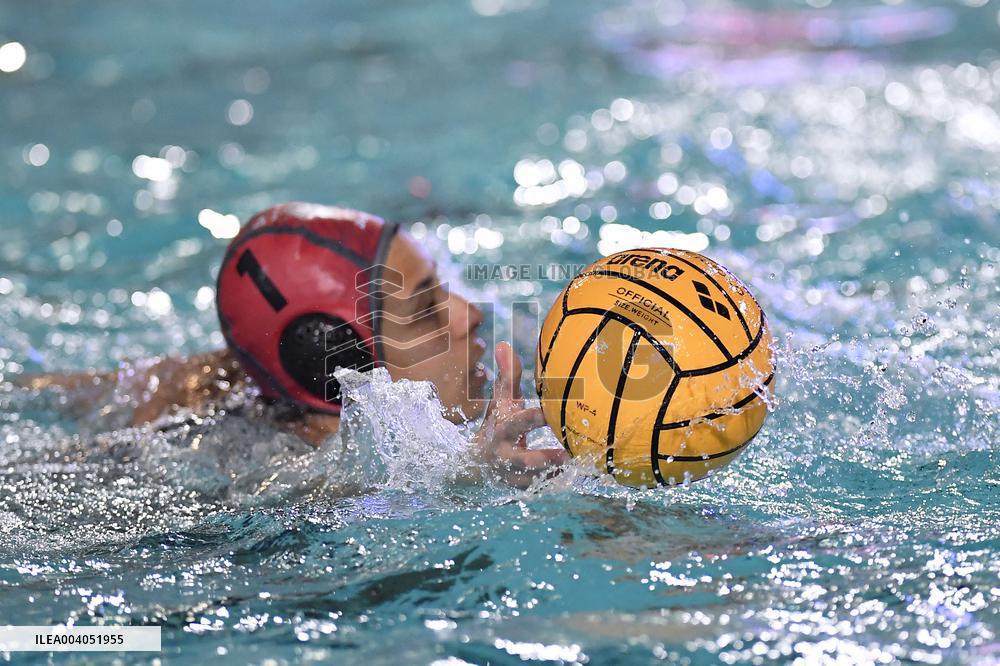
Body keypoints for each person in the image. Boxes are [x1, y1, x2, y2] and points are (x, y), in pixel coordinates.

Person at [20, 203, 567, 487]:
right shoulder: (265, 474)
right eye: (425, 308)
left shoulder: (203, 382)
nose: (470, 314)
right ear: (334, 361)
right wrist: (470, 477)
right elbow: (348, 502)